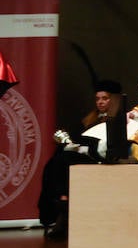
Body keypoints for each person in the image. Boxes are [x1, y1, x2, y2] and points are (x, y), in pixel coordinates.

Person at [38, 80, 125, 237]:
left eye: (105, 98)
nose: (100, 102)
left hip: (104, 160)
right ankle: (58, 205)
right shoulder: (90, 119)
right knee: (55, 161)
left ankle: (63, 204)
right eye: (97, 99)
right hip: (81, 157)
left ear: (114, 99)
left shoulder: (121, 119)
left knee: (64, 160)